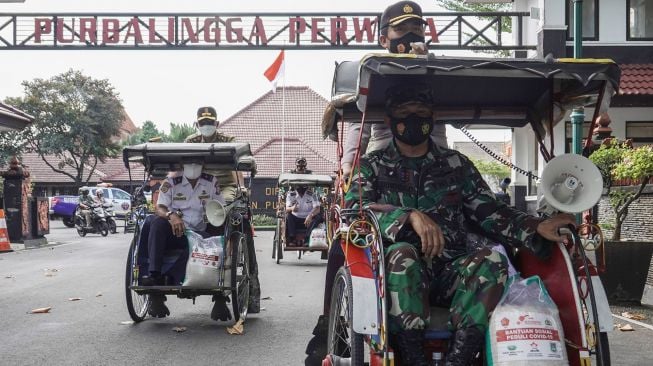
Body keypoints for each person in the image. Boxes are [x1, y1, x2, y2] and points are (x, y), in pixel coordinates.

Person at [341, 83, 576, 365]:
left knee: (492, 260)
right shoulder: (371, 166)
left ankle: (459, 358)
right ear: (390, 120)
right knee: (403, 254)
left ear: (433, 118)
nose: (414, 118)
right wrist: (408, 216)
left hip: (450, 271)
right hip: (393, 276)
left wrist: (535, 226)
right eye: (405, 112)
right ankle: (413, 359)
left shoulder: (456, 165)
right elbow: (356, 216)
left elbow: (490, 212)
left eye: (421, 112)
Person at [341, 0, 448, 177]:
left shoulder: (440, 69)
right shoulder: (372, 71)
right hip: (385, 158)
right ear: (384, 40)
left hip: (435, 157)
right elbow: (359, 124)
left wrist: (425, 64)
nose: (410, 35)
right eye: (401, 30)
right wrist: (349, 164)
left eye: (416, 29)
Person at [185, 106, 262, 314]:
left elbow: (237, 169)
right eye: (202, 123)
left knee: (220, 208)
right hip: (198, 186)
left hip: (224, 187)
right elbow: (180, 167)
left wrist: (241, 188)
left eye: (210, 123)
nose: (206, 126)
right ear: (197, 124)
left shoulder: (228, 141)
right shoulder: (190, 142)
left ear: (217, 124)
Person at [140, 160, 226, 319]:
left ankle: (219, 297)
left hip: (200, 235)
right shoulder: (171, 182)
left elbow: (221, 209)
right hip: (175, 232)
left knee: (213, 243)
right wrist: (170, 216)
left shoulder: (211, 182)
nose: (193, 165)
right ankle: (154, 276)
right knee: (156, 223)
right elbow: (159, 207)